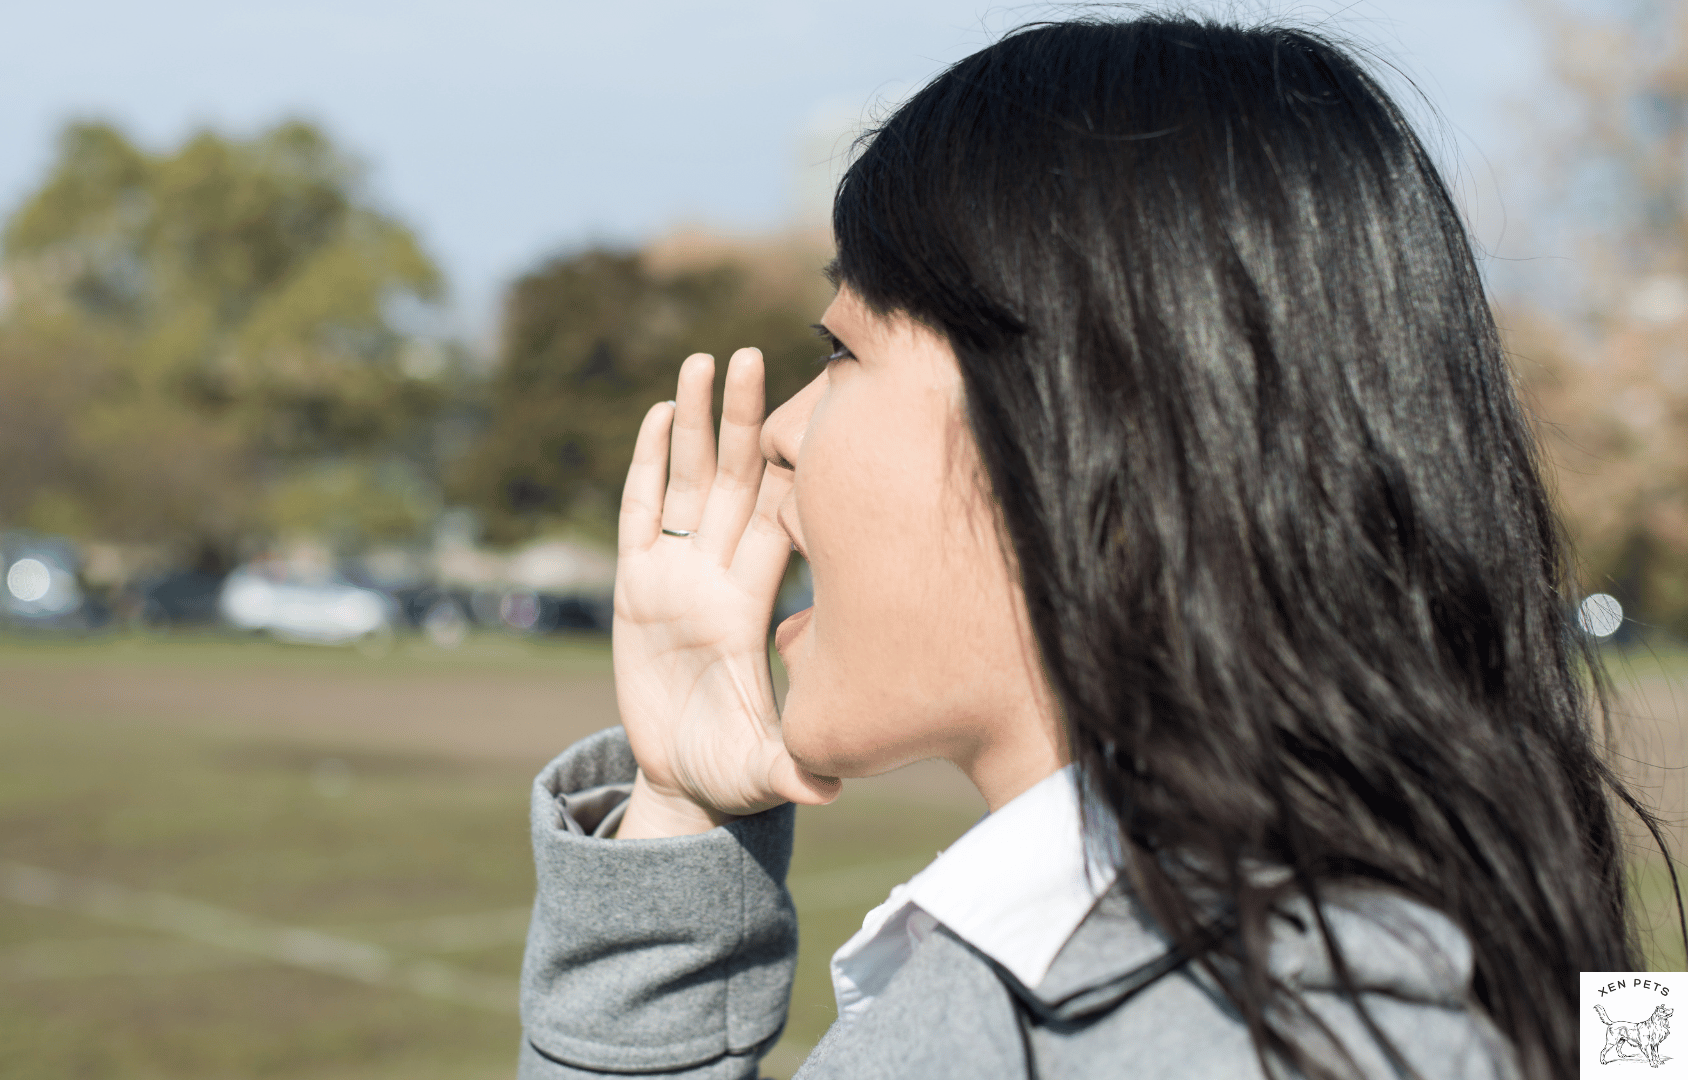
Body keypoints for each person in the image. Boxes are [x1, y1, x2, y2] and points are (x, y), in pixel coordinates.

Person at [517, 16, 1676, 1080]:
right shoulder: (1505, 968)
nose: (776, 434)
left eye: (843, 349)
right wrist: (674, 807)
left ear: (1086, 419)